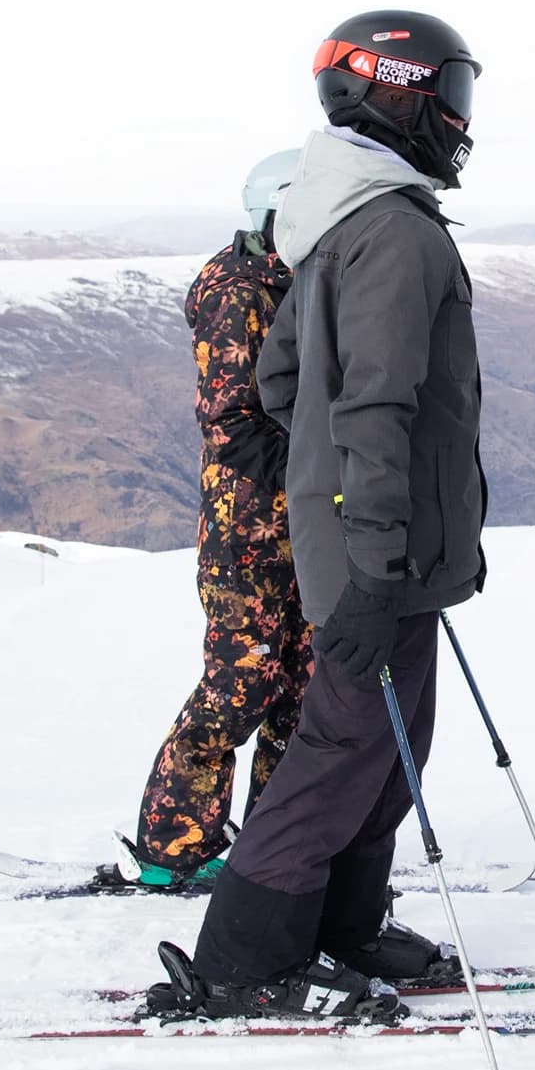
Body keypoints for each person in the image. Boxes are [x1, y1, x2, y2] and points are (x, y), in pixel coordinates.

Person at [154, 9, 486, 1024]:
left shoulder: (340, 218)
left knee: (389, 747)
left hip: (391, 543)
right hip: (381, 549)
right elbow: (373, 398)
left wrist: (330, 483)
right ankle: (241, 959)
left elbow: (285, 375)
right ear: (397, 91)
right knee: (341, 750)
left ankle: (344, 922)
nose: (463, 120)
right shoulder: (388, 228)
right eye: (453, 93)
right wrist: (372, 527)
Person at [119, 149, 310, 889]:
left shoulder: (291, 280)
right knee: (242, 684)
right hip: (249, 527)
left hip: (298, 526)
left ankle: (272, 846)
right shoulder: (240, 289)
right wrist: (321, 476)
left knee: (299, 688)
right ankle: (175, 848)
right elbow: (232, 422)